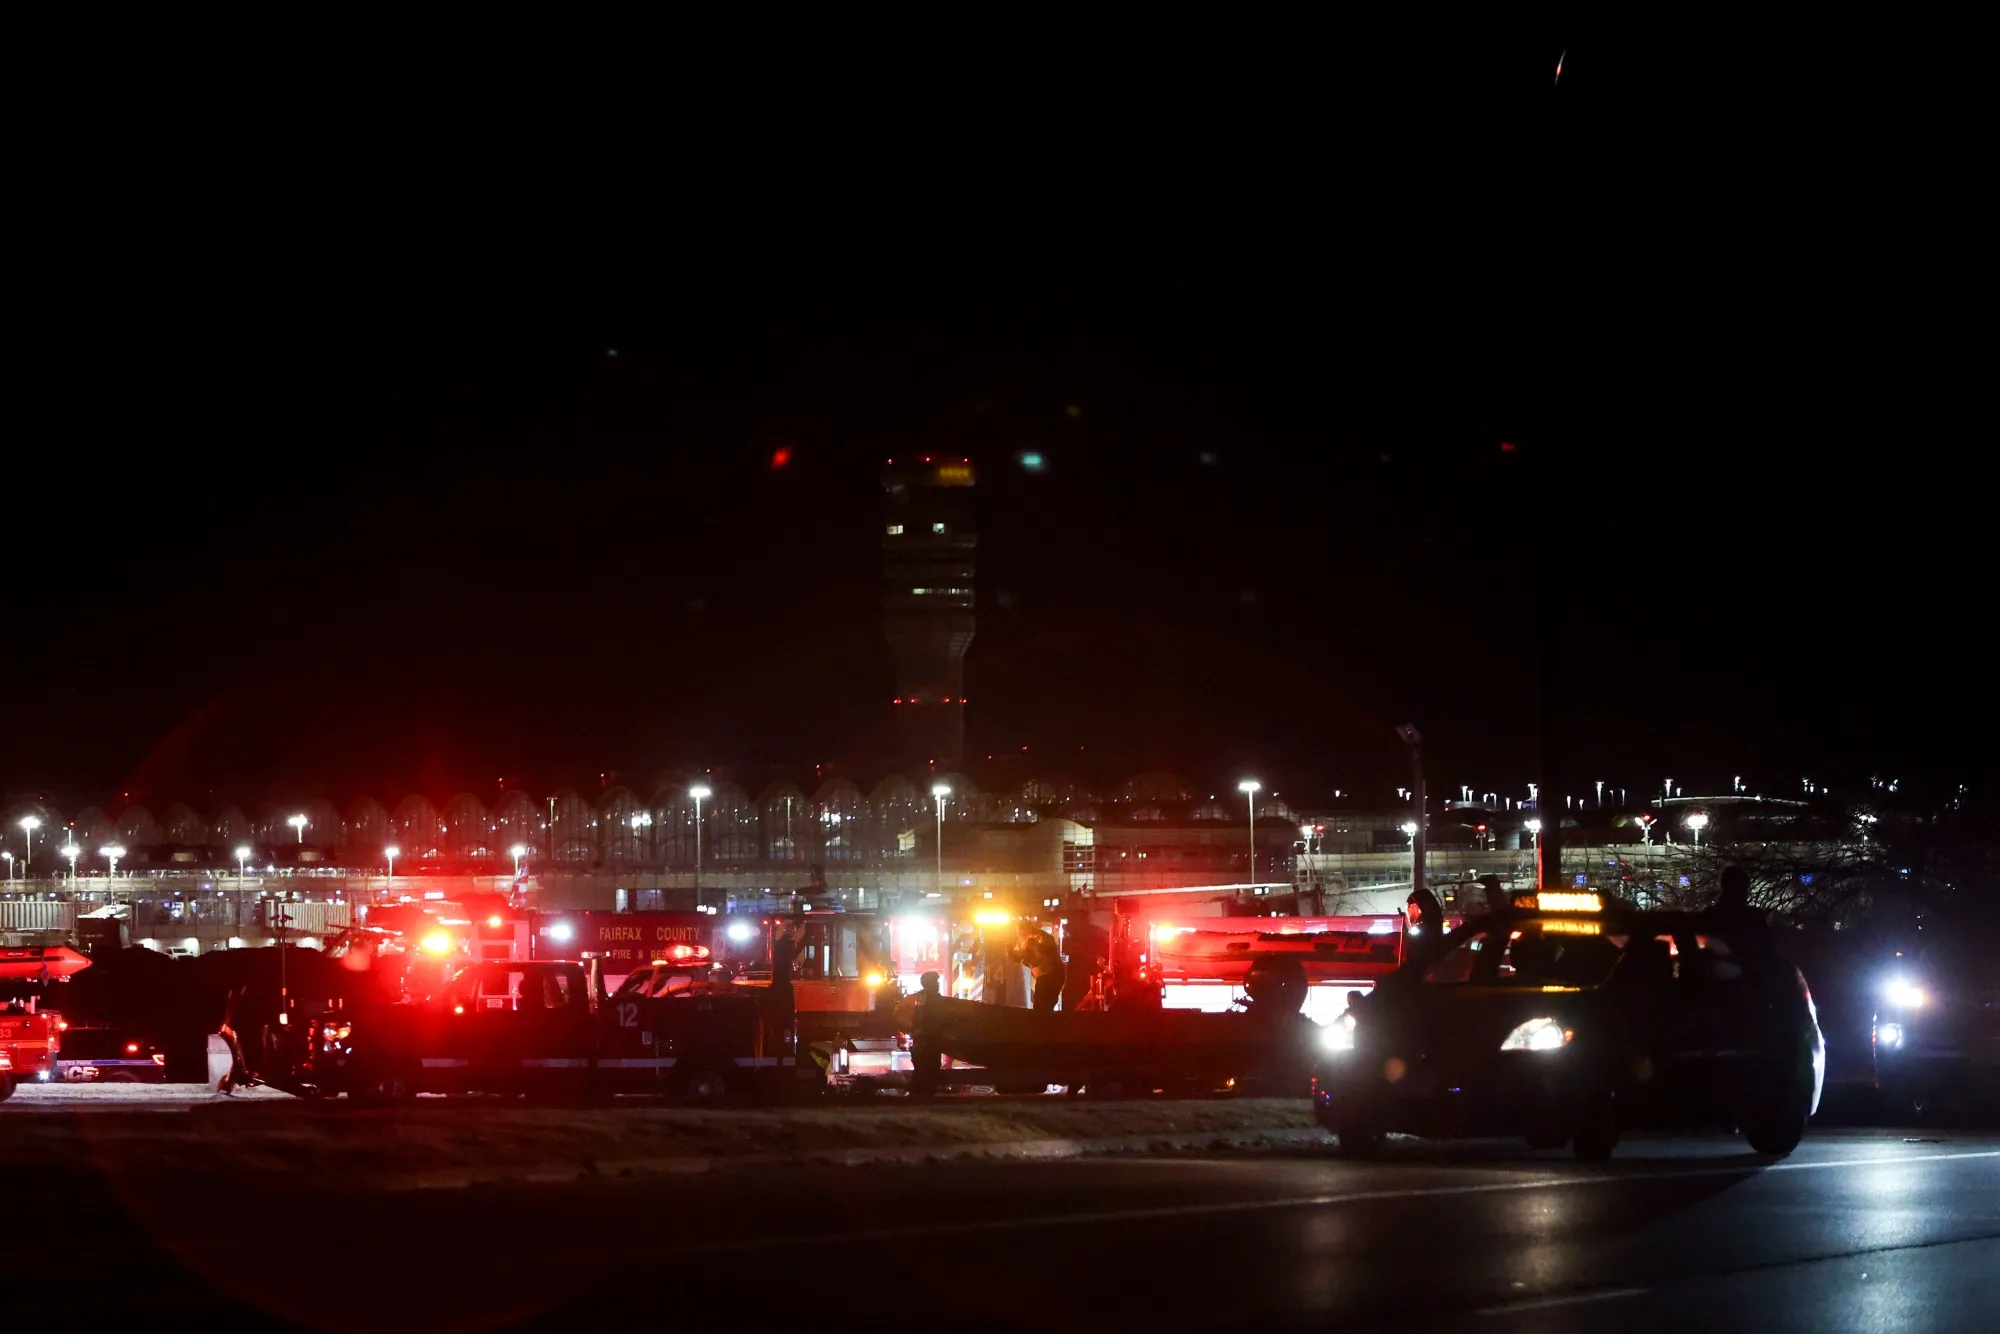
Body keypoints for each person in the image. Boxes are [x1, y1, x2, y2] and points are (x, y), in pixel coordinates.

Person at [1008, 920, 1066, 1012]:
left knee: (1043, 1006)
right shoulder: (1024, 940)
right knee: (1040, 1006)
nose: (1020, 933)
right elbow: (1018, 955)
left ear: (1027, 928)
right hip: (1044, 976)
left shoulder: (1041, 937)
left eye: (1021, 930)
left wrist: (1023, 951)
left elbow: (1038, 952)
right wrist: (1011, 952)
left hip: (1051, 975)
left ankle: (1045, 1020)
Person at [909, 970, 945, 1098]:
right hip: (928, 1040)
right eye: (935, 982)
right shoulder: (930, 999)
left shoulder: (922, 998)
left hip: (925, 1040)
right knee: (928, 1068)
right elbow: (929, 1020)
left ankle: (917, 1095)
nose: (938, 984)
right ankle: (924, 1095)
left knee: (923, 1068)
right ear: (929, 984)